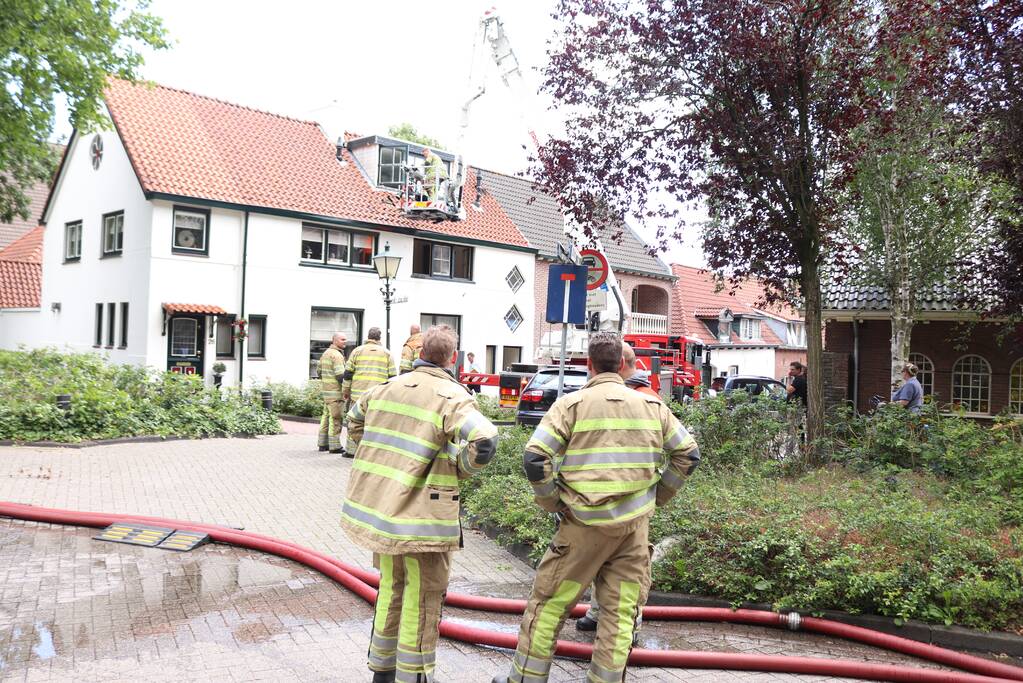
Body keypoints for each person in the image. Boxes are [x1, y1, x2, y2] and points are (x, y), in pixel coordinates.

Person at [492, 331, 701, 683]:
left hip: (581, 526)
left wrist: (552, 501)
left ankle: (526, 679)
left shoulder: (572, 405)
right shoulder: (652, 407)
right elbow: (688, 454)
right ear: (622, 364)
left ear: (588, 365)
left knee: (550, 604)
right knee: (620, 614)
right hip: (633, 531)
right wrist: (658, 496)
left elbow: (534, 458)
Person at [343, 325, 499, 683]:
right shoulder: (451, 395)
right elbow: (486, 439)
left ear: (418, 352)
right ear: (452, 357)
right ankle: (413, 675)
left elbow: (353, 423)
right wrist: (460, 467)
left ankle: (381, 669)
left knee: (391, 588)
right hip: (422, 521)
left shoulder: (386, 388)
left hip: (383, 514)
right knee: (423, 596)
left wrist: (382, 462)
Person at [574, 342, 662, 634]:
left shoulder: (643, 399)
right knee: (609, 565)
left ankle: (629, 627)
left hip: (627, 505)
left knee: (630, 575)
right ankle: (598, 612)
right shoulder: (637, 397)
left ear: (620, 364)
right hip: (615, 500)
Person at [340, 327, 396, 456]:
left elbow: (348, 373)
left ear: (368, 337)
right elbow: (393, 377)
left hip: (357, 393)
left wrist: (346, 390)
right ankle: (372, 452)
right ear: (379, 338)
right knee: (375, 422)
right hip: (378, 395)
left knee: (354, 421)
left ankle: (351, 451)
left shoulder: (356, 351)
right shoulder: (387, 353)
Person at [316, 332, 347, 454]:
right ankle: (335, 446)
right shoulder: (337, 355)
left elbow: (319, 372)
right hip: (335, 393)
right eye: (342, 339)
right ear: (335, 340)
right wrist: (346, 388)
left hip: (327, 392)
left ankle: (322, 444)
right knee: (335, 419)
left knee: (325, 417)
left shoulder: (325, 354)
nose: (345, 341)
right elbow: (340, 375)